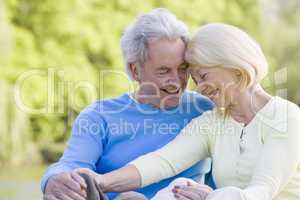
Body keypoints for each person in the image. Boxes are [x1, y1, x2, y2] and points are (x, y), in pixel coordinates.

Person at [81, 23, 300, 200]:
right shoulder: (212, 122)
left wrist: (211, 198)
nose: (199, 90)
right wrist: (98, 182)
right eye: (195, 81)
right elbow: (162, 162)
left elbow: (261, 192)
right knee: (178, 187)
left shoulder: (285, 117)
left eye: (203, 77)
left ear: (236, 70)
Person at [41, 9, 214, 200]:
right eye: (164, 71)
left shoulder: (206, 109)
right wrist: (53, 179)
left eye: (182, 69)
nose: (176, 81)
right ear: (135, 70)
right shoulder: (99, 115)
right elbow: (72, 165)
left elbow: (231, 174)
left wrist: (212, 194)